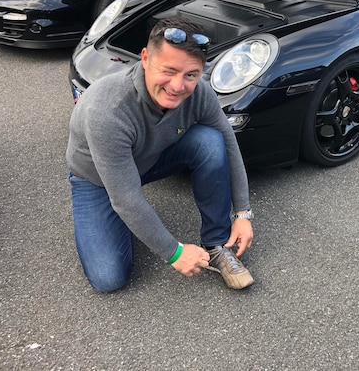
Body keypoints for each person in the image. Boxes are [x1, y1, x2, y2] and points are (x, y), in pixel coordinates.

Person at [66, 18, 254, 292]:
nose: (178, 86)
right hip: (97, 179)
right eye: (169, 71)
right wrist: (174, 252)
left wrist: (242, 213)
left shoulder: (200, 92)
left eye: (190, 74)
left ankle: (216, 244)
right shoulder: (106, 110)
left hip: (150, 157)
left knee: (211, 142)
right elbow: (125, 197)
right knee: (108, 278)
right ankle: (118, 219)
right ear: (145, 58)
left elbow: (229, 144)